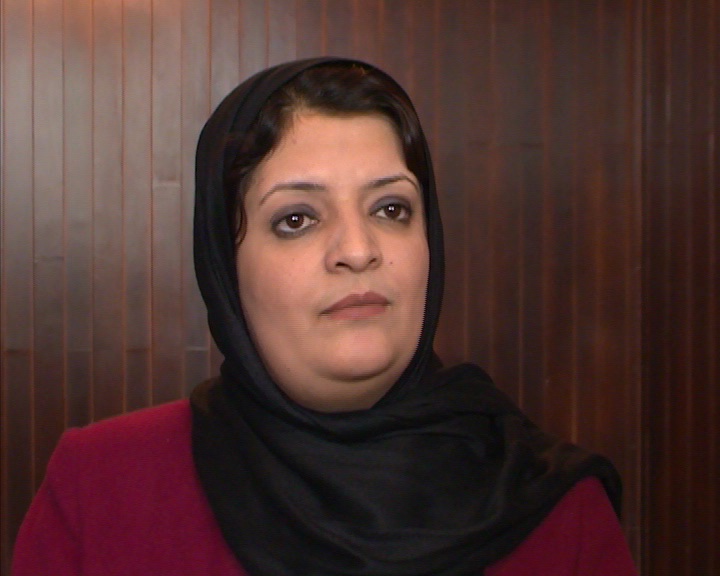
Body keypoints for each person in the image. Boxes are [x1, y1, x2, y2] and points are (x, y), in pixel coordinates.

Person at [12, 57, 637, 575]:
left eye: (391, 209)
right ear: (225, 267)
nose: (358, 250)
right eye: (297, 219)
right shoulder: (101, 488)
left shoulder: (557, 509)